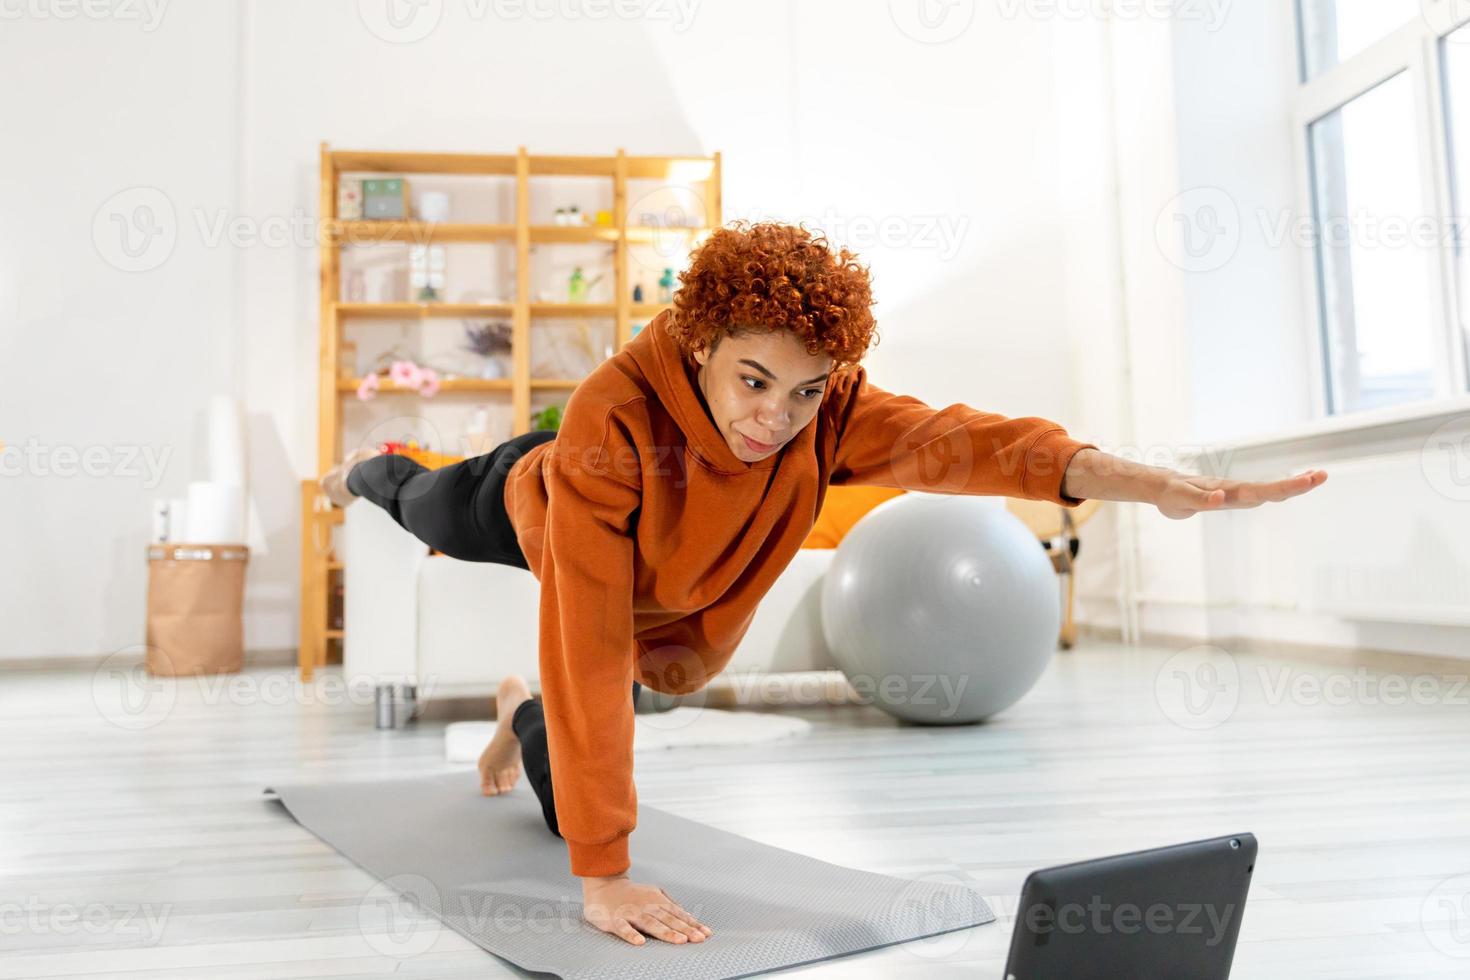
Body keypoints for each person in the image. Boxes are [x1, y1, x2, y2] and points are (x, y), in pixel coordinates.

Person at [320, 220, 1328, 948]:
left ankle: (515, 715)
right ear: (703, 344)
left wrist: (1140, 480)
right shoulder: (612, 419)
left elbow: (966, 443)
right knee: (421, 504)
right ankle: (359, 471)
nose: (776, 418)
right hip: (527, 501)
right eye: (754, 381)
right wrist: (606, 876)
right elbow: (585, 640)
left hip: (657, 605)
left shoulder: (829, 408)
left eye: (805, 391)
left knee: (579, 753)